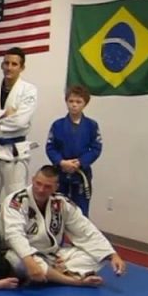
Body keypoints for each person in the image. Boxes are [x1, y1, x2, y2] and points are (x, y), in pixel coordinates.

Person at [1, 166, 126, 286]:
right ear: (33, 180)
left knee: (96, 256)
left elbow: (85, 229)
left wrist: (112, 255)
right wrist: (29, 261)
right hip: (24, 254)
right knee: (17, 262)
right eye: (38, 184)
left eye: (47, 186)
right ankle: (72, 280)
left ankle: (51, 274)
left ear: (56, 187)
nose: (41, 189)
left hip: (53, 256)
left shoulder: (61, 203)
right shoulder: (16, 201)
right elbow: (14, 235)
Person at [0, 47, 38, 210]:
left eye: (14, 64)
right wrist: (5, 113)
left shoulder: (28, 90)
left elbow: (20, 121)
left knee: (16, 200)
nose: (9, 67)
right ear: (2, 65)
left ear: (22, 67)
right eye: (6, 63)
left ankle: (15, 227)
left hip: (14, 151)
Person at [45, 85, 102, 216]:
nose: (74, 105)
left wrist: (80, 162)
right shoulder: (57, 125)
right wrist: (61, 162)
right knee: (57, 211)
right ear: (66, 102)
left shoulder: (91, 125)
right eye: (71, 101)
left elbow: (96, 148)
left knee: (80, 213)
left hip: (81, 174)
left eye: (78, 102)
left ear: (85, 103)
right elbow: (50, 147)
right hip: (61, 173)